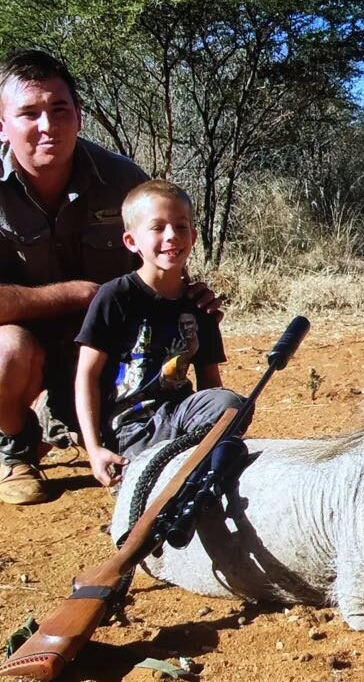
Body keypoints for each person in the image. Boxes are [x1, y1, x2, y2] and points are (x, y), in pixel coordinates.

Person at [0, 49, 221, 505]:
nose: (48, 125)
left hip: (99, 336)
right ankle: (16, 450)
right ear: (0, 125)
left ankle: (74, 421)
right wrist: (79, 294)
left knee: (150, 363)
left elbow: (160, 263)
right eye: (29, 113)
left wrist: (189, 295)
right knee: (4, 356)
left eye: (59, 110)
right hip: (13, 336)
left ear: (79, 116)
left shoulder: (122, 177)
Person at [74, 180, 249, 489]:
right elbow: (86, 376)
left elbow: (210, 382)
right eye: (157, 228)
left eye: (181, 227)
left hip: (181, 417)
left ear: (193, 236)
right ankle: (150, 471)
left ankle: (192, 462)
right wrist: (94, 449)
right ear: (131, 241)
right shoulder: (115, 295)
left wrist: (226, 426)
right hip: (131, 428)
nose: (172, 236)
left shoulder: (200, 303)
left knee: (232, 405)